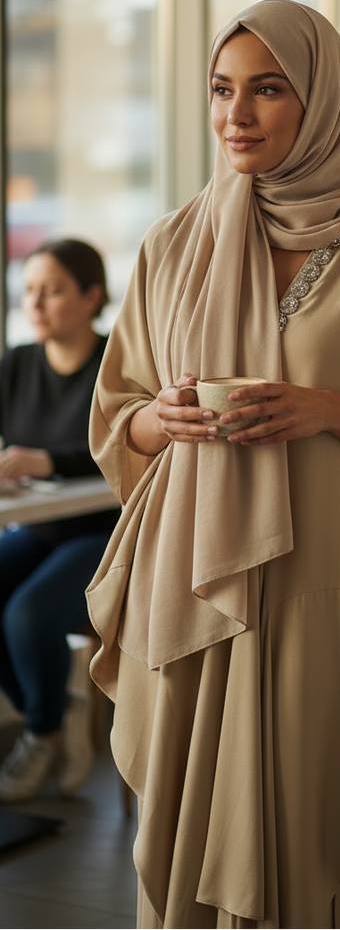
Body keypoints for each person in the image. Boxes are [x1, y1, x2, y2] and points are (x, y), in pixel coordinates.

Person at [87, 0, 340, 930]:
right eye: (222, 90)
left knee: (303, 822)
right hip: (187, 576)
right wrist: (158, 420)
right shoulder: (172, 245)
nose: (236, 114)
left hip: (320, 577)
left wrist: (327, 410)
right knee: (181, 821)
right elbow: (117, 412)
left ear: (323, 99)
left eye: (267, 89)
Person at [0, 238, 120, 802]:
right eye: (28, 291)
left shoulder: (117, 363)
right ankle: (52, 710)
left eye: (52, 291)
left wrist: (48, 460)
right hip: (41, 528)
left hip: (106, 533)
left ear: (91, 295)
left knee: (27, 614)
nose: (36, 304)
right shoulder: (19, 362)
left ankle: (42, 732)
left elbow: (127, 444)